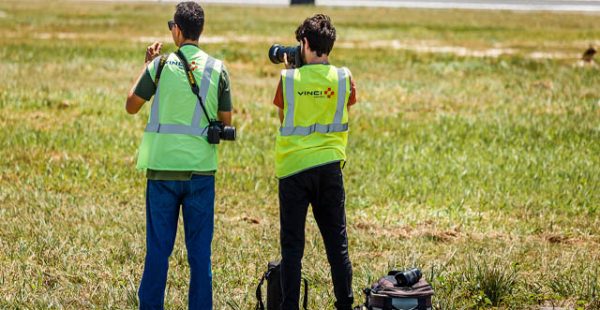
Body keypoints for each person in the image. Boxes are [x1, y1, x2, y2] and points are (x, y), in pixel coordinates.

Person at [125, 2, 233, 309]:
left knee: (158, 250)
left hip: (162, 172)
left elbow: (131, 105)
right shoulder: (217, 68)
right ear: (200, 30)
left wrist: (146, 65)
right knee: (200, 254)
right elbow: (226, 122)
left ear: (177, 30)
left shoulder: (159, 65)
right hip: (200, 172)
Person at [272, 14, 357, 310]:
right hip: (331, 169)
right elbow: (346, 106)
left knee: (293, 247)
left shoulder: (289, 79)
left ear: (305, 43)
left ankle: (289, 306)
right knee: (337, 245)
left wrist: (295, 73)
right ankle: (345, 303)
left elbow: (284, 118)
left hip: (294, 170)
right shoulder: (344, 78)